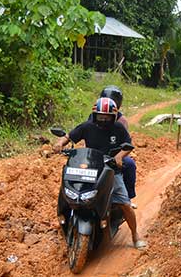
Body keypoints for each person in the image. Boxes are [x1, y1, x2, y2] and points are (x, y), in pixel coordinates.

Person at [53, 97, 147, 249]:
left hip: (110, 169)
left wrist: (119, 156)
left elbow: (129, 145)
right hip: (89, 167)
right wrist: (59, 143)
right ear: (95, 115)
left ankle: (135, 236)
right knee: (69, 190)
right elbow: (69, 136)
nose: (103, 120)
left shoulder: (118, 128)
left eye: (107, 117)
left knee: (124, 203)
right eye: (100, 116)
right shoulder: (87, 127)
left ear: (114, 117)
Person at [98, 85, 138, 208]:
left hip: (114, 155)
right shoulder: (95, 115)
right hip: (95, 153)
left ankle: (128, 198)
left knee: (130, 165)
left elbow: (125, 142)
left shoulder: (122, 121)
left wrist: (119, 155)